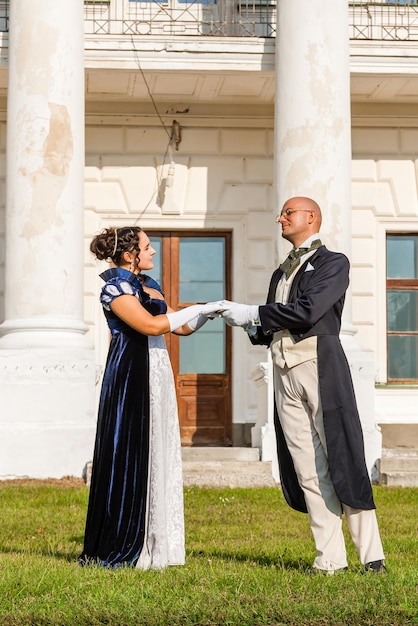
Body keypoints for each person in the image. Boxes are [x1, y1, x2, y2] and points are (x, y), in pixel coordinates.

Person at [220, 196, 386, 574]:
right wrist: (247, 323)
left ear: (310, 218)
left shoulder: (333, 263)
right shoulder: (280, 273)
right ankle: (330, 558)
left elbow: (309, 311)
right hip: (282, 371)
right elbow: (270, 328)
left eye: (288, 213)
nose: (280, 218)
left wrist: (254, 312)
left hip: (319, 366)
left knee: (343, 457)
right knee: (307, 467)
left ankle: (371, 556)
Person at [79, 226, 224, 569]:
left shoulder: (149, 286)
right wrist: (197, 308)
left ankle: (159, 539)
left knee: (158, 446)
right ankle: (126, 540)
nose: (154, 252)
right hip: (130, 373)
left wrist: (209, 311)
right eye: (147, 247)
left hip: (156, 369)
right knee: (130, 451)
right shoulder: (115, 288)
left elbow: (182, 327)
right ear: (130, 256)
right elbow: (151, 326)